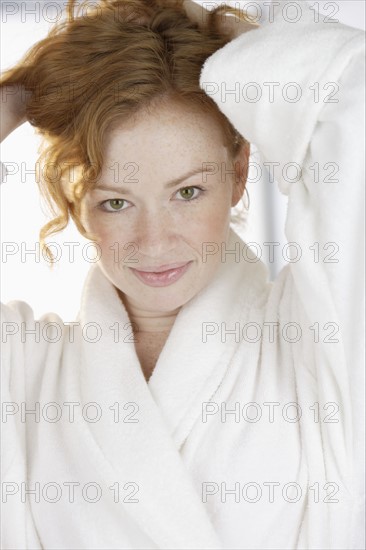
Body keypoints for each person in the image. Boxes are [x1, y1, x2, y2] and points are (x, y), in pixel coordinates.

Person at [0, 0, 364, 549]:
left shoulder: (320, 341)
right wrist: (22, 95)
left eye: (187, 192)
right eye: (117, 202)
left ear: (239, 174)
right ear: (78, 197)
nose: (154, 243)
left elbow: (352, 97)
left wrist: (235, 33)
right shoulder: (23, 370)